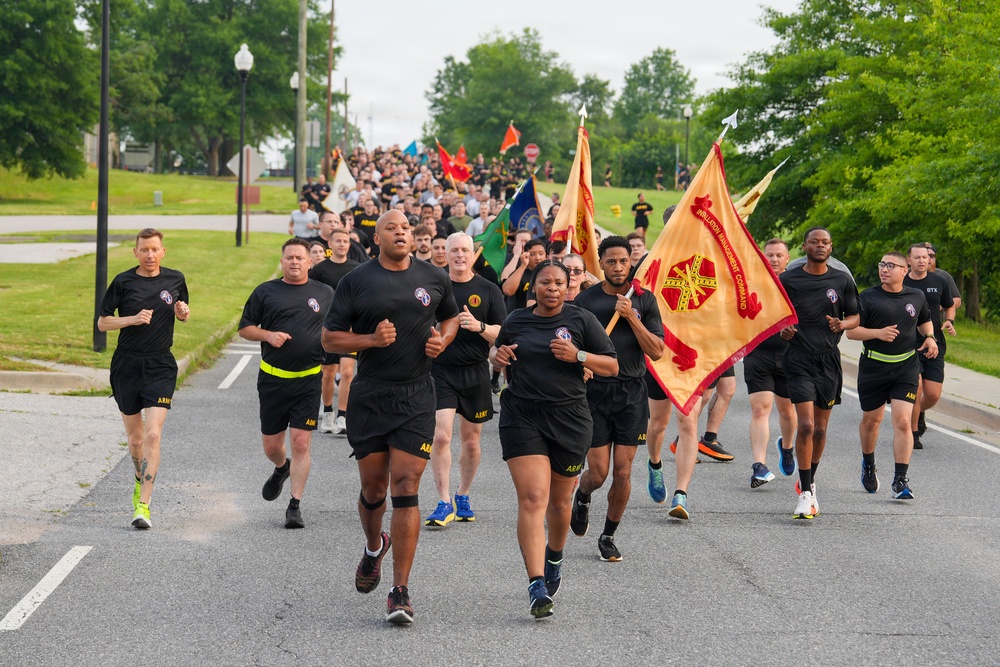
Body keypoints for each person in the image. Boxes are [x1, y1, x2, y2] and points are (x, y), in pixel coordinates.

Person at [322, 209, 460, 625]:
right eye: (391, 228)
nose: (400, 233)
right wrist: (369, 339)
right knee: (373, 490)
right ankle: (372, 547)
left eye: (406, 228)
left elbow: (450, 317)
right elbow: (329, 336)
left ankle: (400, 590)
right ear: (377, 237)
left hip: (417, 395)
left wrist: (443, 340)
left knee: (406, 485)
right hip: (370, 396)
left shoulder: (434, 278)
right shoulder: (356, 281)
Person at [493, 260, 618, 619]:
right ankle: (535, 584)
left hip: (570, 419)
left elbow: (611, 365)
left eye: (559, 282)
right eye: (545, 282)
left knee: (560, 503)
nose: (552, 288)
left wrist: (578, 355)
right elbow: (497, 353)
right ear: (534, 286)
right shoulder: (517, 320)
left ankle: (554, 557)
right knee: (533, 497)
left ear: (568, 286)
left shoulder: (582, 321)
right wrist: (498, 357)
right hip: (522, 415)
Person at [571, 237, 664, 561]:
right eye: (611, 261)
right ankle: (582, 496)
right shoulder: (585, 301)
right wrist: (580, 367)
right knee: (597, 473)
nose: (618, 267)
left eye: (623, 261)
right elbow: (573, 349)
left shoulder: (644, 300)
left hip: (632, 393)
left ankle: (609, 534)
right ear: (602, 264)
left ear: (630, 263)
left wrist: (632, 317)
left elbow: (657, 350)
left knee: (622, 472)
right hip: (596, 392)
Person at [238, 238, 334, 529]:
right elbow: (245, 328)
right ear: (282, 261)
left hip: (308, 380)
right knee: (272, 446)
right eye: (289, 257)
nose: (294, 262)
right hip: (272, 379)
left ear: (309, 262)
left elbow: (340, 325)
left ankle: (294, 505)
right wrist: (268, 335)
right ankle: (282, 467)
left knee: (302, 441)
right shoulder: (265, 291)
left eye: (299, 258)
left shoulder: (325, 293)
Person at [98, 228, 190, 530]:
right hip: (126, 364)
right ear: (135, 252)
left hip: (161, 364)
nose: (150, 255)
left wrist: (182, 312)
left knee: (152, 434)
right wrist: (132, 319)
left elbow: (182, 311)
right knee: (136, 439)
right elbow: (102, 322)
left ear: (163, 251)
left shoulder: (175, 279)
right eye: (144, 250)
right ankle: (139, 476)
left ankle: (144, 505)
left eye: (155, 249)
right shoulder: (124, 281)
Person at [425, 233, 507, 527]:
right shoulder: (434, 286)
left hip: (474, 372)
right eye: (454, 250)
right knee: (442, 436)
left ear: (473, 255)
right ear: (444, 254)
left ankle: (463, 494)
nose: (460, 255)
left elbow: (503, 332)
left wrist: (478, 326)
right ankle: (443, 501)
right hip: (440, 371)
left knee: (471, 443)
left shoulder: (488, 289)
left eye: (465, 250)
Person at [779, 227, 859, 520]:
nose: (820, 245)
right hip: (798, 359)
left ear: (831, 246)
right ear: (805, 246)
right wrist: (782, 329)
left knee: (822, 429)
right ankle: (805, 494)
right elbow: (773, 316)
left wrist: (844, 325)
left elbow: (855, 315)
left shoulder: (842, 280)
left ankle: (808, 479)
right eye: (815, 242)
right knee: (807, 426)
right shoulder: (788, 279)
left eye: (825, 242)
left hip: (828, 361)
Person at [848, 251, 936, 500]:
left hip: (906, 368)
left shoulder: (916, 296)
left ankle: (900, 480)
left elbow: (924, 321)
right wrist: (877, 333)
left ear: (904, 270)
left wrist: (929, 337)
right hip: (874, 367)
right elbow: (852, 333)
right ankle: (868, 463)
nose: (884, 269)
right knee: (871, 421)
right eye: (881, 264)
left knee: (903, 422)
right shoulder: (867, 297)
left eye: (890, 265)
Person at [743, 239, 797, 486]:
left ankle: (787, 447)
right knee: (760, 408)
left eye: (779, 255)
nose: (774, 259)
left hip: (790, 355)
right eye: (769, 255)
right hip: (758, 354)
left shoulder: (797, 283)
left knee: (786, 410)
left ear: (787, 258)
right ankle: (759, 466)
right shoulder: (753, 282)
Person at [904, 243, 956, 449]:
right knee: (915, 389)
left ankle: (918, 412)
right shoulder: (902, 281)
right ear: (909, 260)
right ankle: (913, 432)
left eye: (926, 257)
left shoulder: (939, 281)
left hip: (935, 341)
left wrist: (950, 321)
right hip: (908, 342)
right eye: (917, 257)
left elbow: (950, 305)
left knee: (933, 394)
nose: (922, 261)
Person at [309, 228, 360, 433]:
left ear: (349, 245)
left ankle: (343, 416)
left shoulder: (357, 269)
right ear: (330, 245)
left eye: (345, 241)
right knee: (328, 373)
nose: (341, 244)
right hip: (328, 328)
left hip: (350, 329)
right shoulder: (320, 270)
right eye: (337, 241)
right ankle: (328, 411)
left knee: (347, 372)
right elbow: (311, 296)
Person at [501, 238, 546, 311]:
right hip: (518, 317)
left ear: (546, 256)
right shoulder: (520, 273)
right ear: (526, 255)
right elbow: (507, 290)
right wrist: (523, 265)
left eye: (541, 254)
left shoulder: (549, 275)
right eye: (533, 254)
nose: (538, 258)